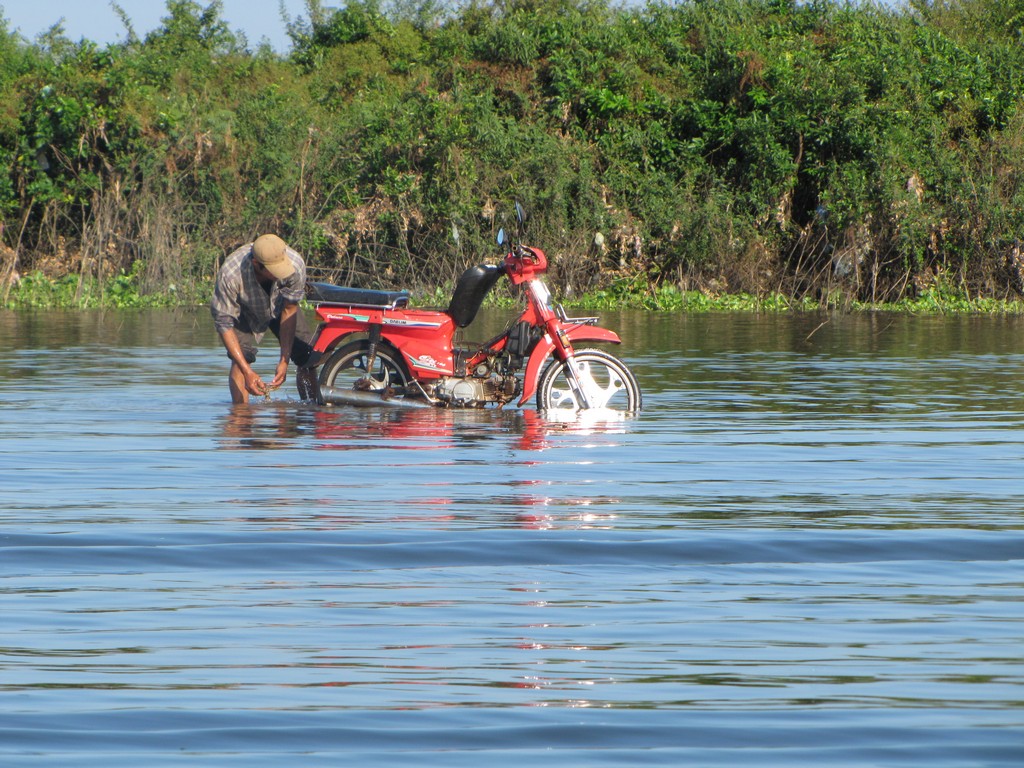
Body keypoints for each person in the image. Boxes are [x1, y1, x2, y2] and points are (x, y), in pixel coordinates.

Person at [210, 234, 319, 404]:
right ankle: (241, 420)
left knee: (306, 356)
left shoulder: (295, 264)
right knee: (241, 361)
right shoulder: (231, 274)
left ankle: (313, 409)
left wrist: (284, 359)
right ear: (256, 264)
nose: (279, 273)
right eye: (274, 270)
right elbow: (224, 323)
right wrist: (247, 371)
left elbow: (290, 309)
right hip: (242, 308)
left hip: (280, 303)